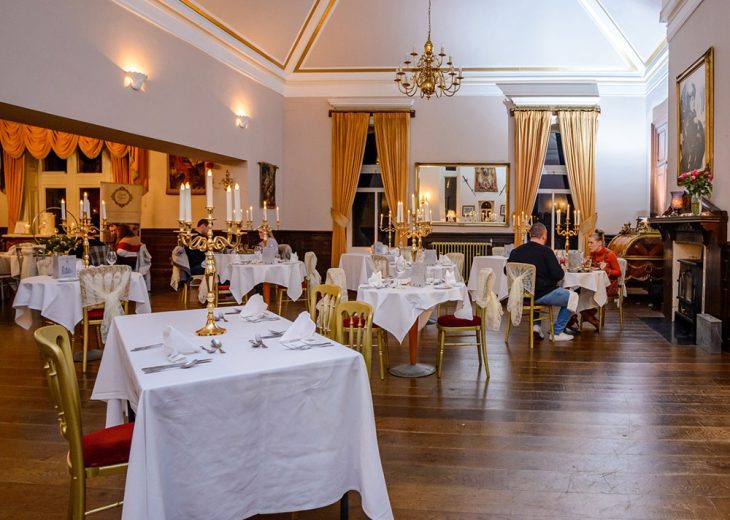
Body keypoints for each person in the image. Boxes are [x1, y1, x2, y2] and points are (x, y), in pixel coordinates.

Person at [507, 222, 575, 342]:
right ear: (544, 236)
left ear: (530, 235)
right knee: (572, 297)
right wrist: (561, 269)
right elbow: (557, 275)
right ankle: (557, 332)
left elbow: (506, 270)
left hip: (521, 295)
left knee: (535, 289)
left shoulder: (516, 252)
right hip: (541, 295)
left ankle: (536, 327)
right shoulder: (546, 252)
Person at [579, 229, 621, 330]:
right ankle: (591, 316)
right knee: (576, 295)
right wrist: (585, 264)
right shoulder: (592, 254)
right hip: (593, 284)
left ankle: (591, 318)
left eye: (591, 242)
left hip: (608, 286)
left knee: (578, 298)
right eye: (588, 242)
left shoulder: (610, 254)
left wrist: (606, 269)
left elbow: (618, 273)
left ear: (599, 243)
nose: (589, 245)